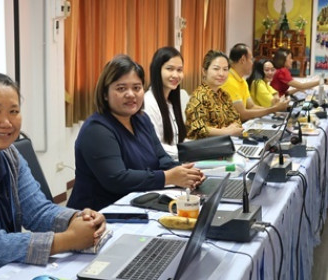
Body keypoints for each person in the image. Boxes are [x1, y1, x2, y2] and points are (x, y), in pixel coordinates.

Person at [0, 72, 106, 279]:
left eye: (14, 111)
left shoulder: (9, 154)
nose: (6, 122)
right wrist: (69, 239)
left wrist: (80, 219)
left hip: (4, 269)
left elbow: (37, 211)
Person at [66, 55, 204, 211]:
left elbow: (161, 158)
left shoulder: (141, 119)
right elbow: (117, 179)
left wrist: (185, 173)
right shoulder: (96, 129)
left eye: (136, 88)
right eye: (121, 88)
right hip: (98, 215)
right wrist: (168, 177)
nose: (131, 94)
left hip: (139, 203)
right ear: (105, 94)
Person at [221, 43, 289, 122]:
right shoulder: (229, 81)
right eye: (251, 59)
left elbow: (251, 106)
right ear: (243, 60)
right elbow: (242, 115)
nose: (252, 63)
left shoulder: (242, 81)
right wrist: (273, 109)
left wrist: (274, 111)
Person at [185, 50, 244, 139]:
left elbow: (236, 119)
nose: (221, 74)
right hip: (204, 147)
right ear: (204, 71)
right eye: (216, 69)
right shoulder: (199, 96)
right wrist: (226, 132)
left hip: (225, 142)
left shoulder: (224, 95)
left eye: (225, 69)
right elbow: (198, 128)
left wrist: (233, 127)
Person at [144, 46, 187, 160]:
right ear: (157, 70)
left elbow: (178, 140)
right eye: (169, 69)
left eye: (179, 70)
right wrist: (190, 151)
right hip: (162, 169)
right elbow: (154, 147)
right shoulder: (148, 103)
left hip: (177, 164)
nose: (176, 75)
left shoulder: (171, 102)